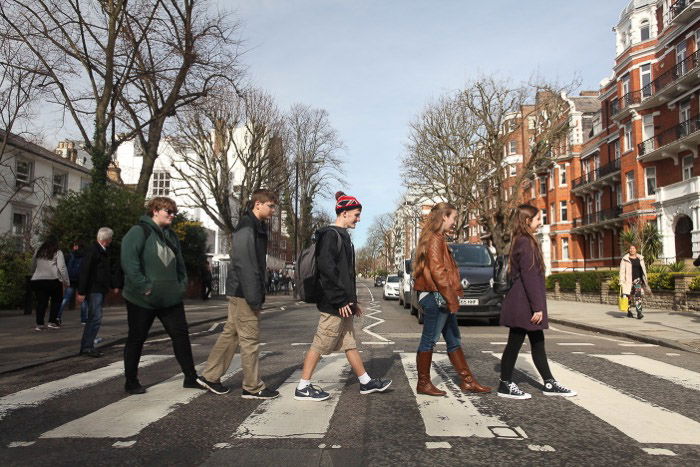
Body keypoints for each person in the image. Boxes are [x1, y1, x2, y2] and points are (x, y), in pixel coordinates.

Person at [294, 191, 391, 401]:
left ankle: (365, 382)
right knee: (320, 343)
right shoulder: (330, 235)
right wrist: (339, 300)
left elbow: (346, 275)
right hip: (333, 304)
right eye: (356, 214)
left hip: (342, 303)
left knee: (349, 343)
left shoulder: (343, 237)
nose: (358, 219)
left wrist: (352, 302)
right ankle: (303, 386)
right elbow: (327, 271)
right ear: (344, 213)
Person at [196, 190, 280, 399]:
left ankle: (210, 376)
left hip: (240, 289)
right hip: (244, 291)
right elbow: (246, 264)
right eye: (270, 205)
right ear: (258, 204)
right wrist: (254, 296)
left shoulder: (255, 226)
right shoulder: (247, 226)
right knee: (250, 339)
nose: (273, 210)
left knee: (231, 334)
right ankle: (252, 387)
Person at [121, 197, 204, 394]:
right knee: (136, 338)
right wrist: (144, 286)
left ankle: (190, 377)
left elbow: (180, 264)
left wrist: (181, 286)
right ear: (155, 211)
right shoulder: (138, 232)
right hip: (141, 299)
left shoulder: (172, 236)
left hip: (170, 299)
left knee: (181, 336)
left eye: (174, 212)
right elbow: (129, 262)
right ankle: (131, 381)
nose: (172, 215)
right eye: (168, 211)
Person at [498, 204, 576, 399]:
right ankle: (505, 384)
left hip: (523, 300)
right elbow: (530, 276)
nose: (541, 223)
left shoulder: (522, 240)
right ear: (527, 221)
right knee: (514, 343)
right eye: (538, 219)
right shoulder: (526, 242)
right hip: (523, 302)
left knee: (537, 342)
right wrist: (537, 307)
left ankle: (549, 382)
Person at [412, 202, 490, 396]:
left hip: (439, 296)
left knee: (453, 339)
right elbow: (438, 272)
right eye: (453, 217)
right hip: (436, 296)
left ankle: (468, 381)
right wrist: (452, 299)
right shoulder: (435, 238)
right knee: (429, 340)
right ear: (444, 217)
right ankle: (423, 383)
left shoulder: (435, 237)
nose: (455, 222)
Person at [76, 228, 120, 357]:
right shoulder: (94, 251)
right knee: (95, 318)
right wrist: (81, 291)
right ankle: (87, 346)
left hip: (98, 289)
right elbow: (85, 271)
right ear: (107, 239)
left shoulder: (101, 251)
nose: (111, 241)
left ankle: (87, 345)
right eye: (110, 238)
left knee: (94, 318)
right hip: (94, 289)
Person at [30, 238, 70, 331]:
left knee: (41, 303)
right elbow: (62, 267)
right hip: (53, 279)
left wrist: (33, 272)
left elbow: (33, 263)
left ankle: (39, 324)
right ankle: (52, 322)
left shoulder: (38, 251)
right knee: (56, 301)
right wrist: (66, 281)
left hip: (38, 279)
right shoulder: (58, 252)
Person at [57, 241, 89, 325]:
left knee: (65, 298)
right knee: (84, 300)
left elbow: (63, 266)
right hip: (81, 280)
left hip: (71, 280)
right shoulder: (85, 256)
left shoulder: (69, 255)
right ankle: (84, 319)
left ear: (75, 247)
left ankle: (58, 316)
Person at [620, 244, 649, 320]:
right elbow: (622, 271)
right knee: (629, 296)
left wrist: (645, 278)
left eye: (633, 248)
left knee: (638, 296)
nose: (632, 250)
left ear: (636, 250)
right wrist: (621, 281)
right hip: (628, 281)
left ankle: (639, 312)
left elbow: (643, 269)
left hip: (637, 280)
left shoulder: (640, 258)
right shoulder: (625, 259)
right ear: (629, 250)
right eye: (630, 248)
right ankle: (629, 311)